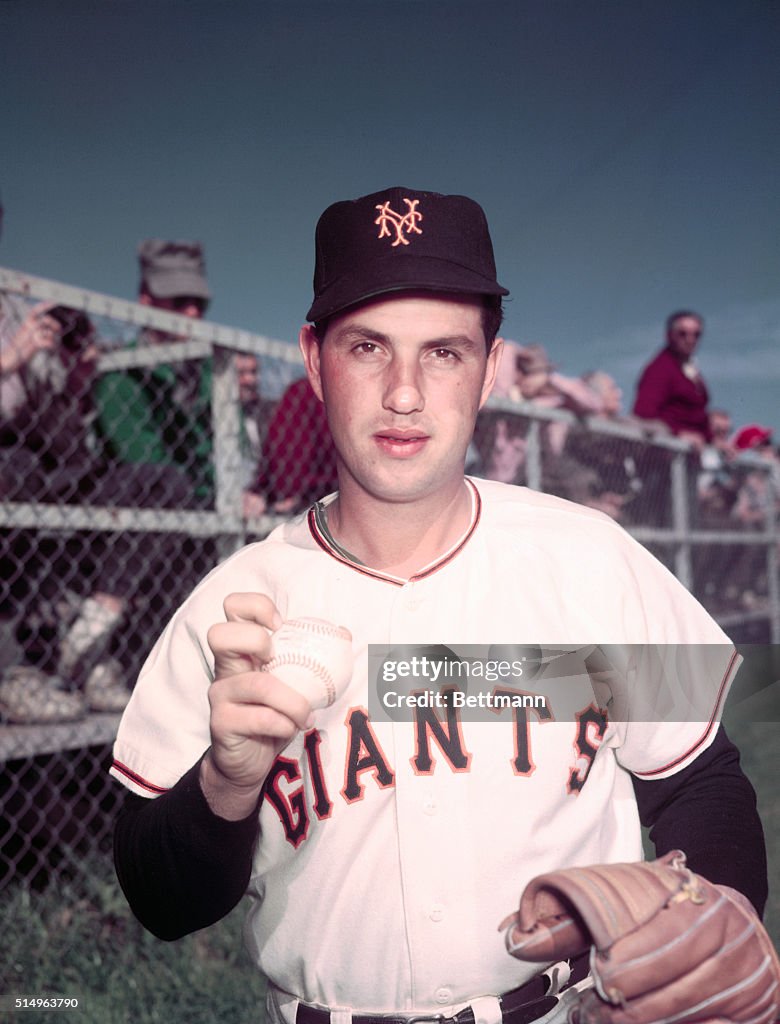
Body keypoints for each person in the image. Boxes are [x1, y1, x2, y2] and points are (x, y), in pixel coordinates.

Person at [110, 188, 774, 1023]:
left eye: (445, 353)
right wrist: (225, 783)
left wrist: (715, 920)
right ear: (314, 360)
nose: (403, 393)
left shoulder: (590, 558)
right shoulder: (234, 605)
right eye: (368, 348)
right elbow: (163, 903)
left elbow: (700, 778)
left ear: (491, 369)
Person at [632, 310, 711, 449]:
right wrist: (677, 433)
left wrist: (713, 440)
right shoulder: (660, 369)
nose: (690, 339)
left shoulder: (691, 370)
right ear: (669, 336)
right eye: (682, 334)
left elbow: (699, 415)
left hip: (693, 454)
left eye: (696, 334)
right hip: (666, 456)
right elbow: (643, 414)